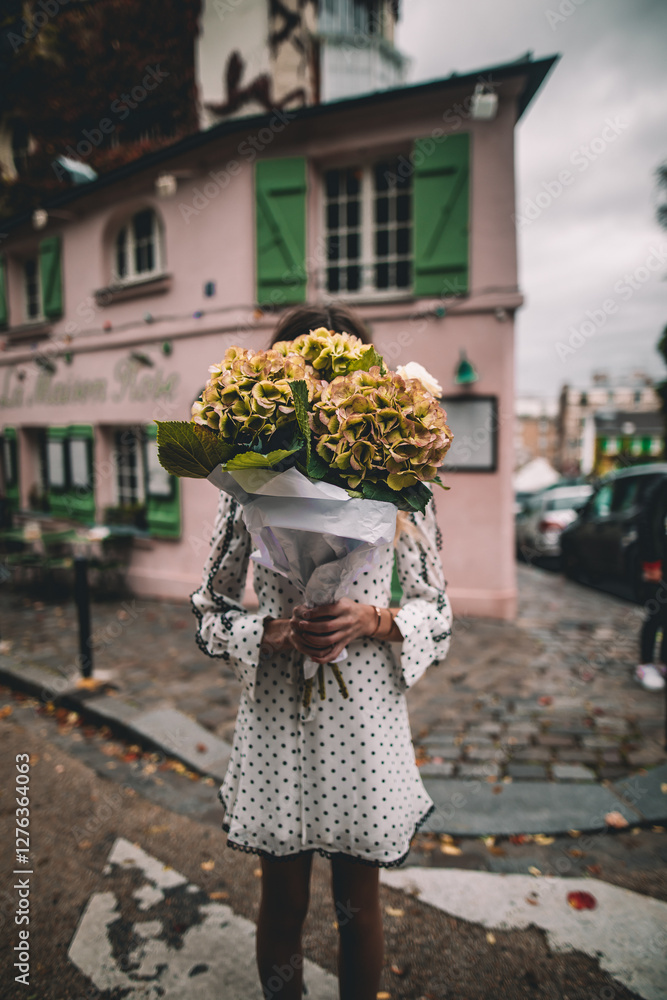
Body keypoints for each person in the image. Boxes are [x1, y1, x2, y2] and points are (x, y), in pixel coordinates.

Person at [191, 304, 452, 1000]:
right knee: (282, 903)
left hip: (363, 720)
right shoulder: (244, 483)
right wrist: (267, 631)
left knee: (355, 907)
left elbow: (440, 613)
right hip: (277, 714)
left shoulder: (402, 482)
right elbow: (207, 612)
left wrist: (372, 619)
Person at [636, 476, 667, 691]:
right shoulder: (661, 487)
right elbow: (648, 523)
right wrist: (652, 563)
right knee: (656, 613)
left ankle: (663, 663)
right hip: (659, 562)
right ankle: (645, 664)